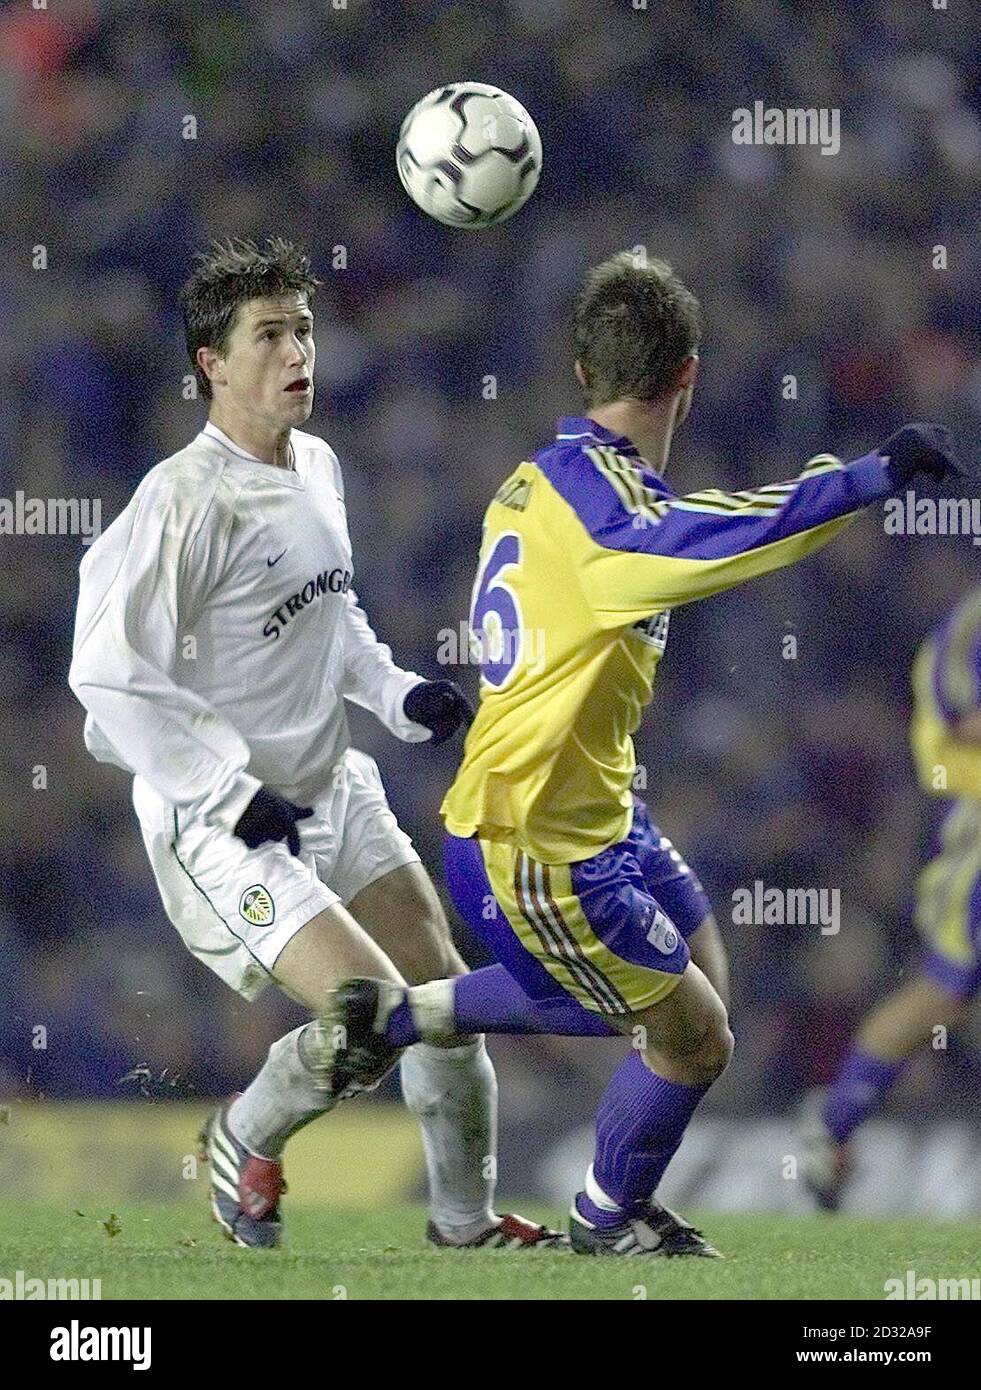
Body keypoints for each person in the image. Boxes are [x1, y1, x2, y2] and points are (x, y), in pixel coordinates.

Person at [324, 250, 964, 1257]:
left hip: (594, 807)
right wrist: (869, 477)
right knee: (692, 1033)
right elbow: (720, 538)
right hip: (538, 839)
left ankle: (400, 1016)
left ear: (585, 370)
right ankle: (605, 1221)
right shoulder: (614, 522)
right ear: (690, 375)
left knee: (694, 973)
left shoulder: (538, 479)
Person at [68, 235, 562, 1252]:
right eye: (270, 334)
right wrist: (222, 786)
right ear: (212, 362)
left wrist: (396, 693)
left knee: (442, 1001)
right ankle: (242, 1135)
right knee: (370, 1016)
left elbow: (332, 626)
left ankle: (464, 1228)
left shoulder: (318, 463)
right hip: (226, 823)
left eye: (304, 329)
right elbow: (104, 672)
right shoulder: (180, 501)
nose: (299, 352)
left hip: (330, 787)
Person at [799, 586, 981, 1209]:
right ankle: (834, 1127)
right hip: (975, 829)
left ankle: (834, 1126)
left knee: (946, 993)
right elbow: (964, 720)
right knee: (946, 991)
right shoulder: (970, 624)